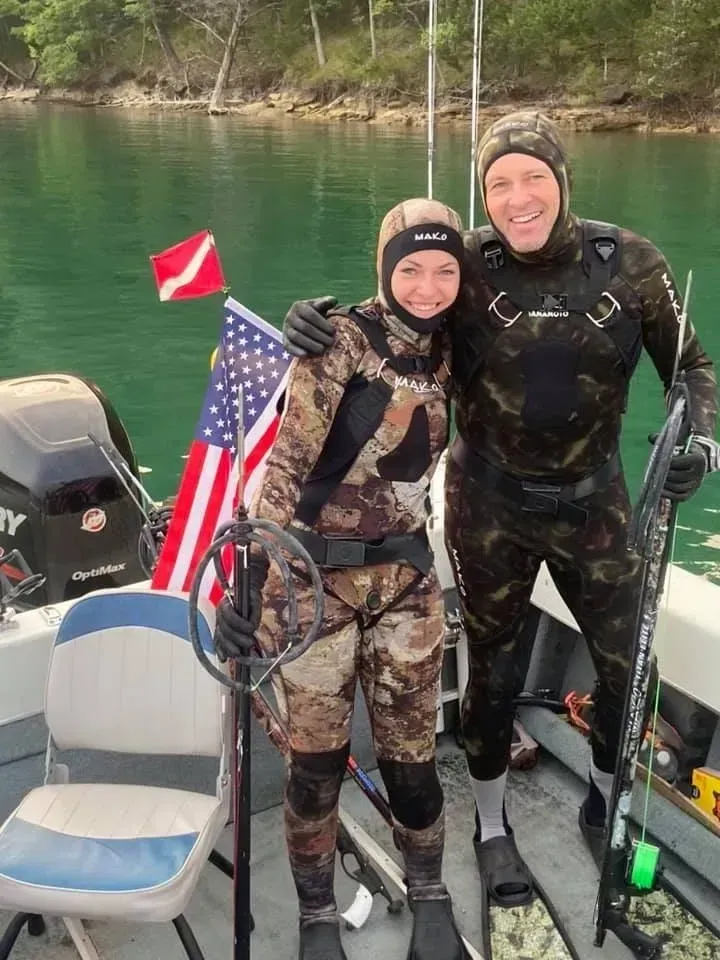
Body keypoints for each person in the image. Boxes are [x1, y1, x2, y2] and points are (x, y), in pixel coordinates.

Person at [279, 111, 719, 907]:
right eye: (497, 184)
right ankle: (491, 829)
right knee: (494, 671)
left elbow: (691, 369)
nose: (517, 199)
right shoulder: (469, 264)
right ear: (483, 194)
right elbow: (398, 305)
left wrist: (701, 445)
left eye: (533, 179)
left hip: (599, 507)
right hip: (487, 505)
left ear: (562, 181)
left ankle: (601, 804)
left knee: (630, 669)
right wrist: (306, 325)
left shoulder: (633, 265)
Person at [214, 198, 471, 959]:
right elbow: (283, 474)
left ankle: (428, 889)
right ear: (384, 267)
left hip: (407, 589)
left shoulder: (458, 345)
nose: (427, 287)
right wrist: (248, 589)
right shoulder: (339, 342)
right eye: (411, 269)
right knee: (315, 772)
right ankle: (317, 913)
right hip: (314, 591)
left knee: (414, 765)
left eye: (446, 270)